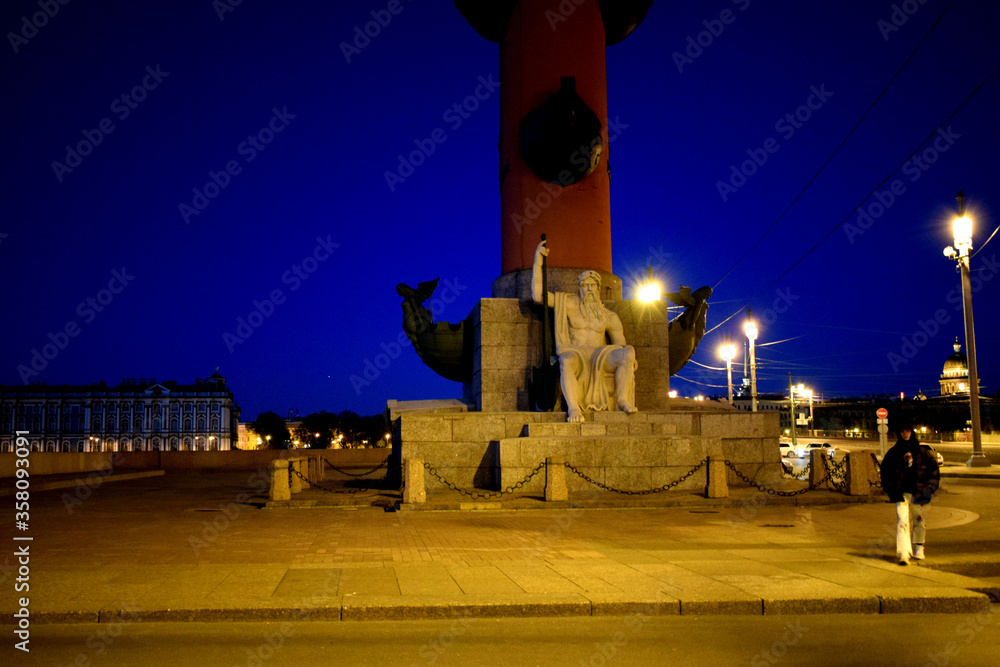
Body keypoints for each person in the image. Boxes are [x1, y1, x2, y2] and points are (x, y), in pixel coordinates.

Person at [532, 238, 637, 423]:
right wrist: (537, 261)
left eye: (592, 285)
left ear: (598, 289)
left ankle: (622, 399)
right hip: (576, 353)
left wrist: (629, 359)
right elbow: (538, 296)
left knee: (628, 353)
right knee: (566, 360)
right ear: (579, 288)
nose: (589, 289)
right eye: (585, 285)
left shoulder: (609, 316)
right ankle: (573, 408)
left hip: (601, 356)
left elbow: (620, 344)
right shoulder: (569, 304)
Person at [879, 425, 940, 565]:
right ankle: (903, 552)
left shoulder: (922, 453)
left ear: (911, 432)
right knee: (902, 521)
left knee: (919, 520)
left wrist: (928, 489)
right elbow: (885, 472)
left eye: (907, 431)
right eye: (902, 431)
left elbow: (934, 473)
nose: (905, 434)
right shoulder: (894, 453)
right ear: (899, 433)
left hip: (918, 492)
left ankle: (919, 546)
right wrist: (890, 488)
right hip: (900, 492)